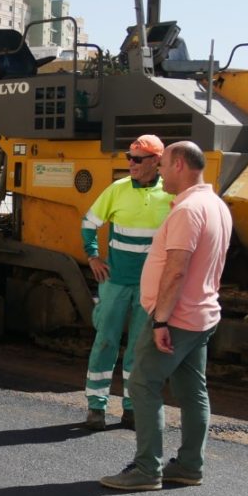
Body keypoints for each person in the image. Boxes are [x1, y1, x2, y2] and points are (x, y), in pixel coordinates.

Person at [100, 141, 232, 490]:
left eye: (163, 165)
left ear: (179, 165)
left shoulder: (189, 211)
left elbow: (176, 270)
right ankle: (190, 465)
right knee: (193, 391)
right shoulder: (216, 205)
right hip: (201, 316)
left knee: (143, 384)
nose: (158, 171)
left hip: (176, 319)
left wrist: (160, 320)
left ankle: (147, 469)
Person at [80, 135, 174, 431]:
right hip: (116, 282)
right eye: (129, 158)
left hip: (149, 288)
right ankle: (96, 407)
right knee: (105, 341)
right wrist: (93, 257)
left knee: (139, 348)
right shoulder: (117, 190)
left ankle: (132, 408)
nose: (130, 164)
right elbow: (89, 224)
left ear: (157, 161)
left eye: (137, 159)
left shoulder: (171, 194)